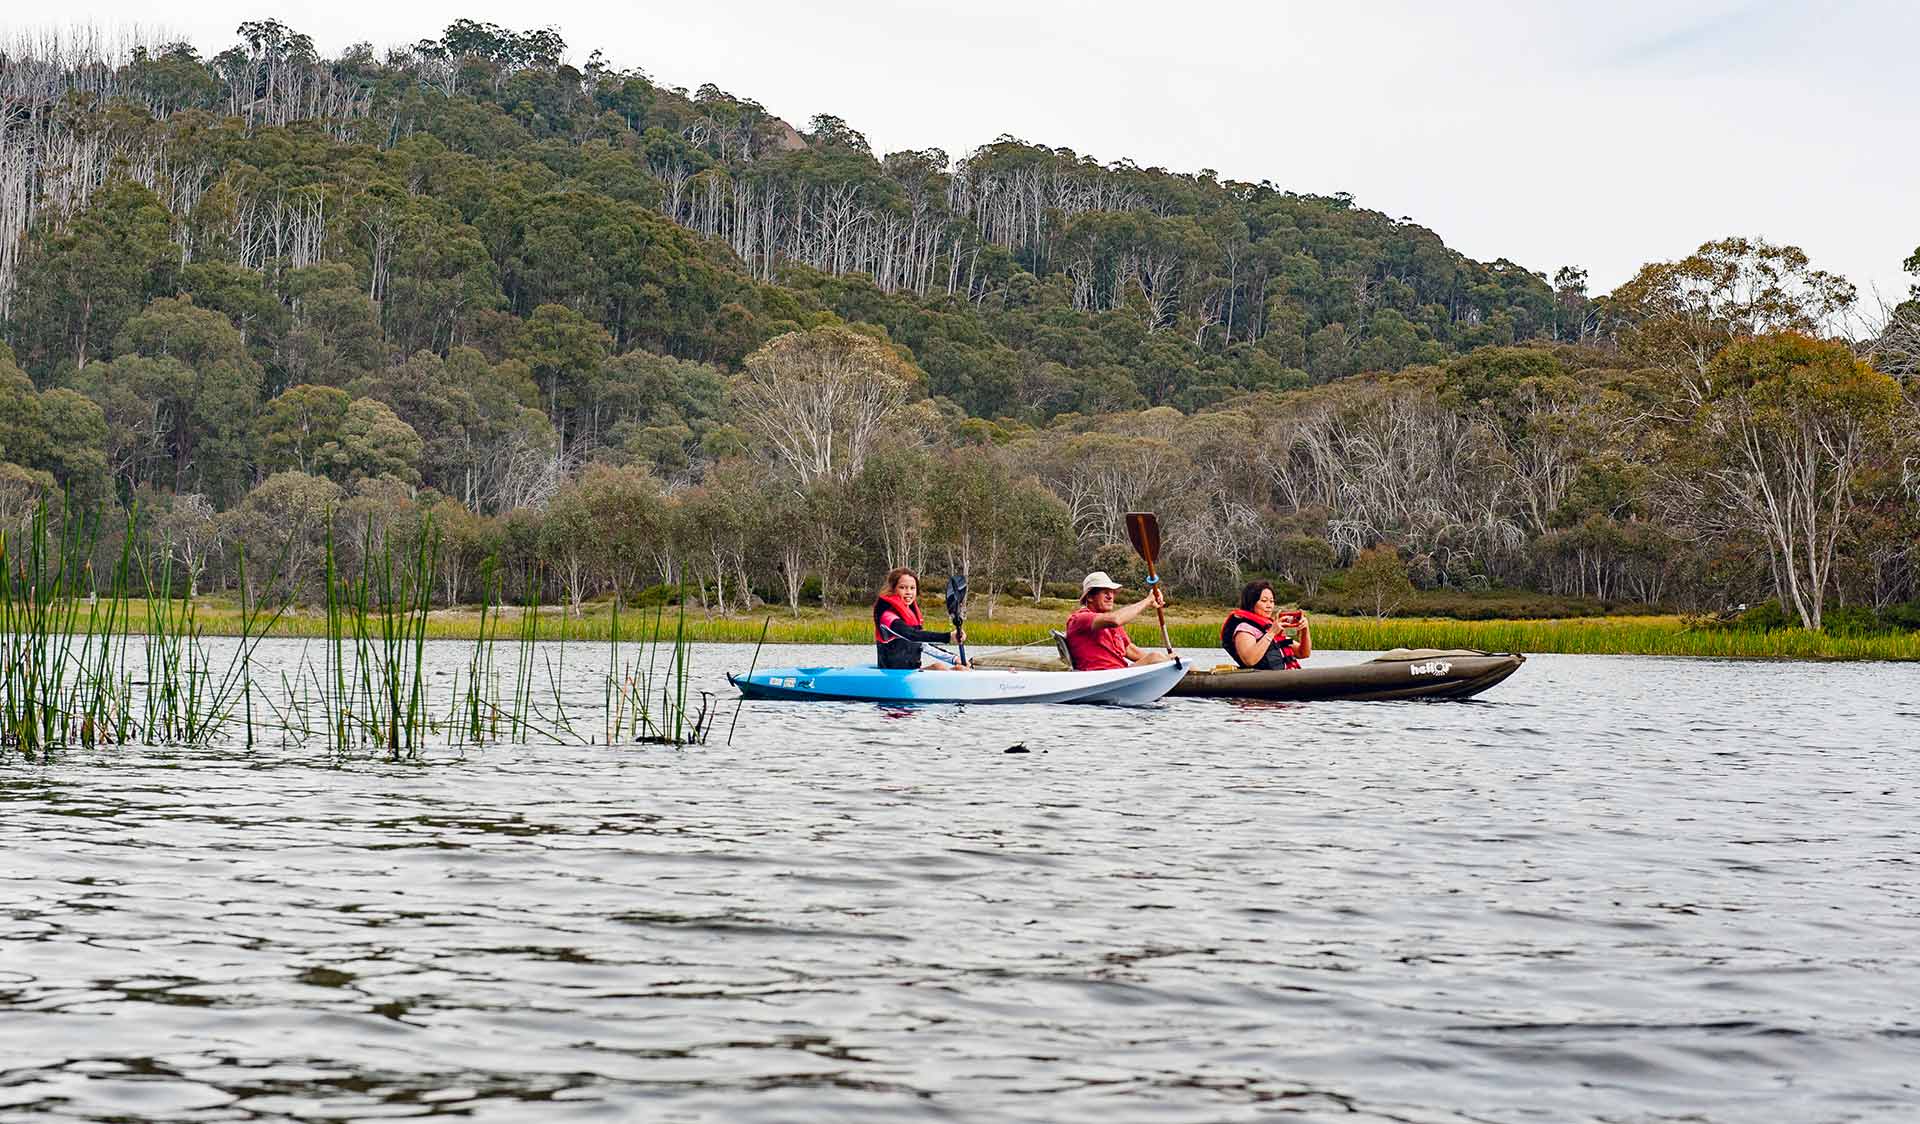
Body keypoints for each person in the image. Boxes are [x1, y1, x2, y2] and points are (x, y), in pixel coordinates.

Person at [1063, 571, 1177, 671]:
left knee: (1176, 657)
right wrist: (1148, 601)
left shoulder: (1110, 623)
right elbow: (1116, 619)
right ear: (1090, 597)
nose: (1110, 596)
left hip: (1121, 673)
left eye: (1112, 592)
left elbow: (1132, 651)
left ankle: (1192, 683)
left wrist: (1168, 659)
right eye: (1105, 592)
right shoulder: (1080, 619)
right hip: (1101, 676)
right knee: (1155, 657)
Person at [872, 567, 968, 670]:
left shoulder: (911, 617)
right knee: (940, 668)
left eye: (912, 588)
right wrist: (948, 636)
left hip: (911, 673)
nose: (908, 592)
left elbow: (923, 645)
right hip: (890, 676)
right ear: (893, 589)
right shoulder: (887, 617)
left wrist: (954, 659)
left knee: (955, 668)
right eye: (903, 587)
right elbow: (912, 635)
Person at [1221, 580, 1312, 670]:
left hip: (1287, 677)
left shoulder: (1272, 627)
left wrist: (1305, 630)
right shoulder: (1244, 629)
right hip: (1265, 681)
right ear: (1251, 603)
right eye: (1264, 601)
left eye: (1271, 601)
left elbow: (1303, 653)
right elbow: (1249, 660)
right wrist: (1271, 633)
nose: (1269, 606)